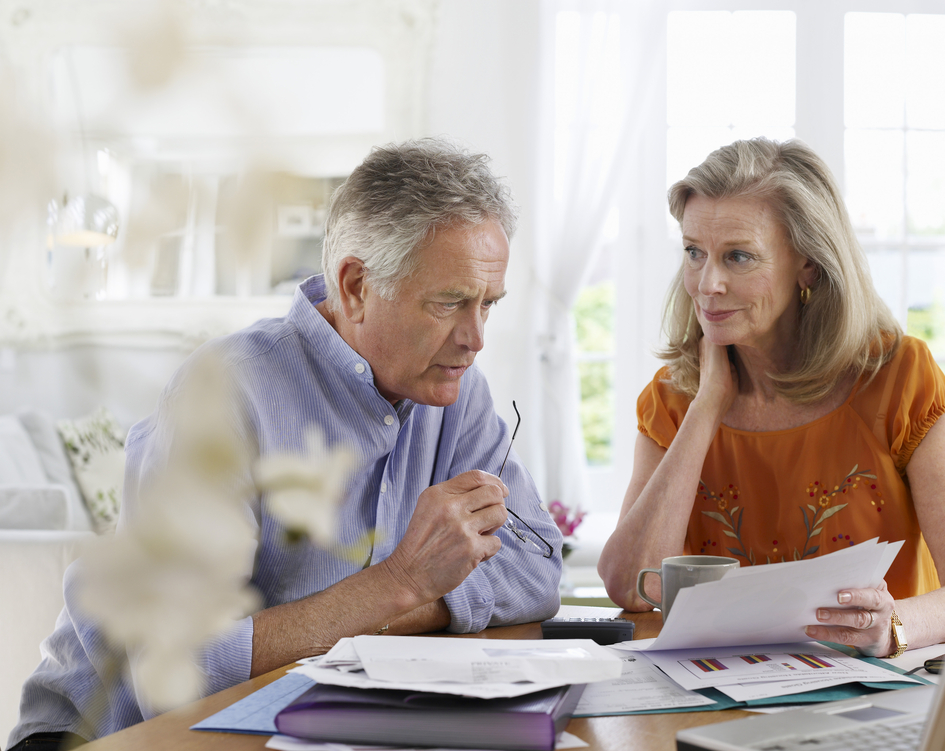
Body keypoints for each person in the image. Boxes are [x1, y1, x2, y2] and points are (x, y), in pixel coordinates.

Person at [9, 139, 562, 750]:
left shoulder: (455, 393)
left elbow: (535, 569)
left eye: (489, 303)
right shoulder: (224, 393)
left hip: (298, 723)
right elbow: (180, 668)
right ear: (354, 287)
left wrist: (394, 605)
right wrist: (402, 582)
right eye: (451, 302)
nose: (476, 336)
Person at [598, 138, 945, 659]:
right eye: (694, 252)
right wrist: (708, 403)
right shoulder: (674, 398)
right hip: (710, 695)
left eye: (738, 256)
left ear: (807, 265)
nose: (707, 284)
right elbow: (628, 587)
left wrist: (893, 624)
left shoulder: (900, 376)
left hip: (871, 692)